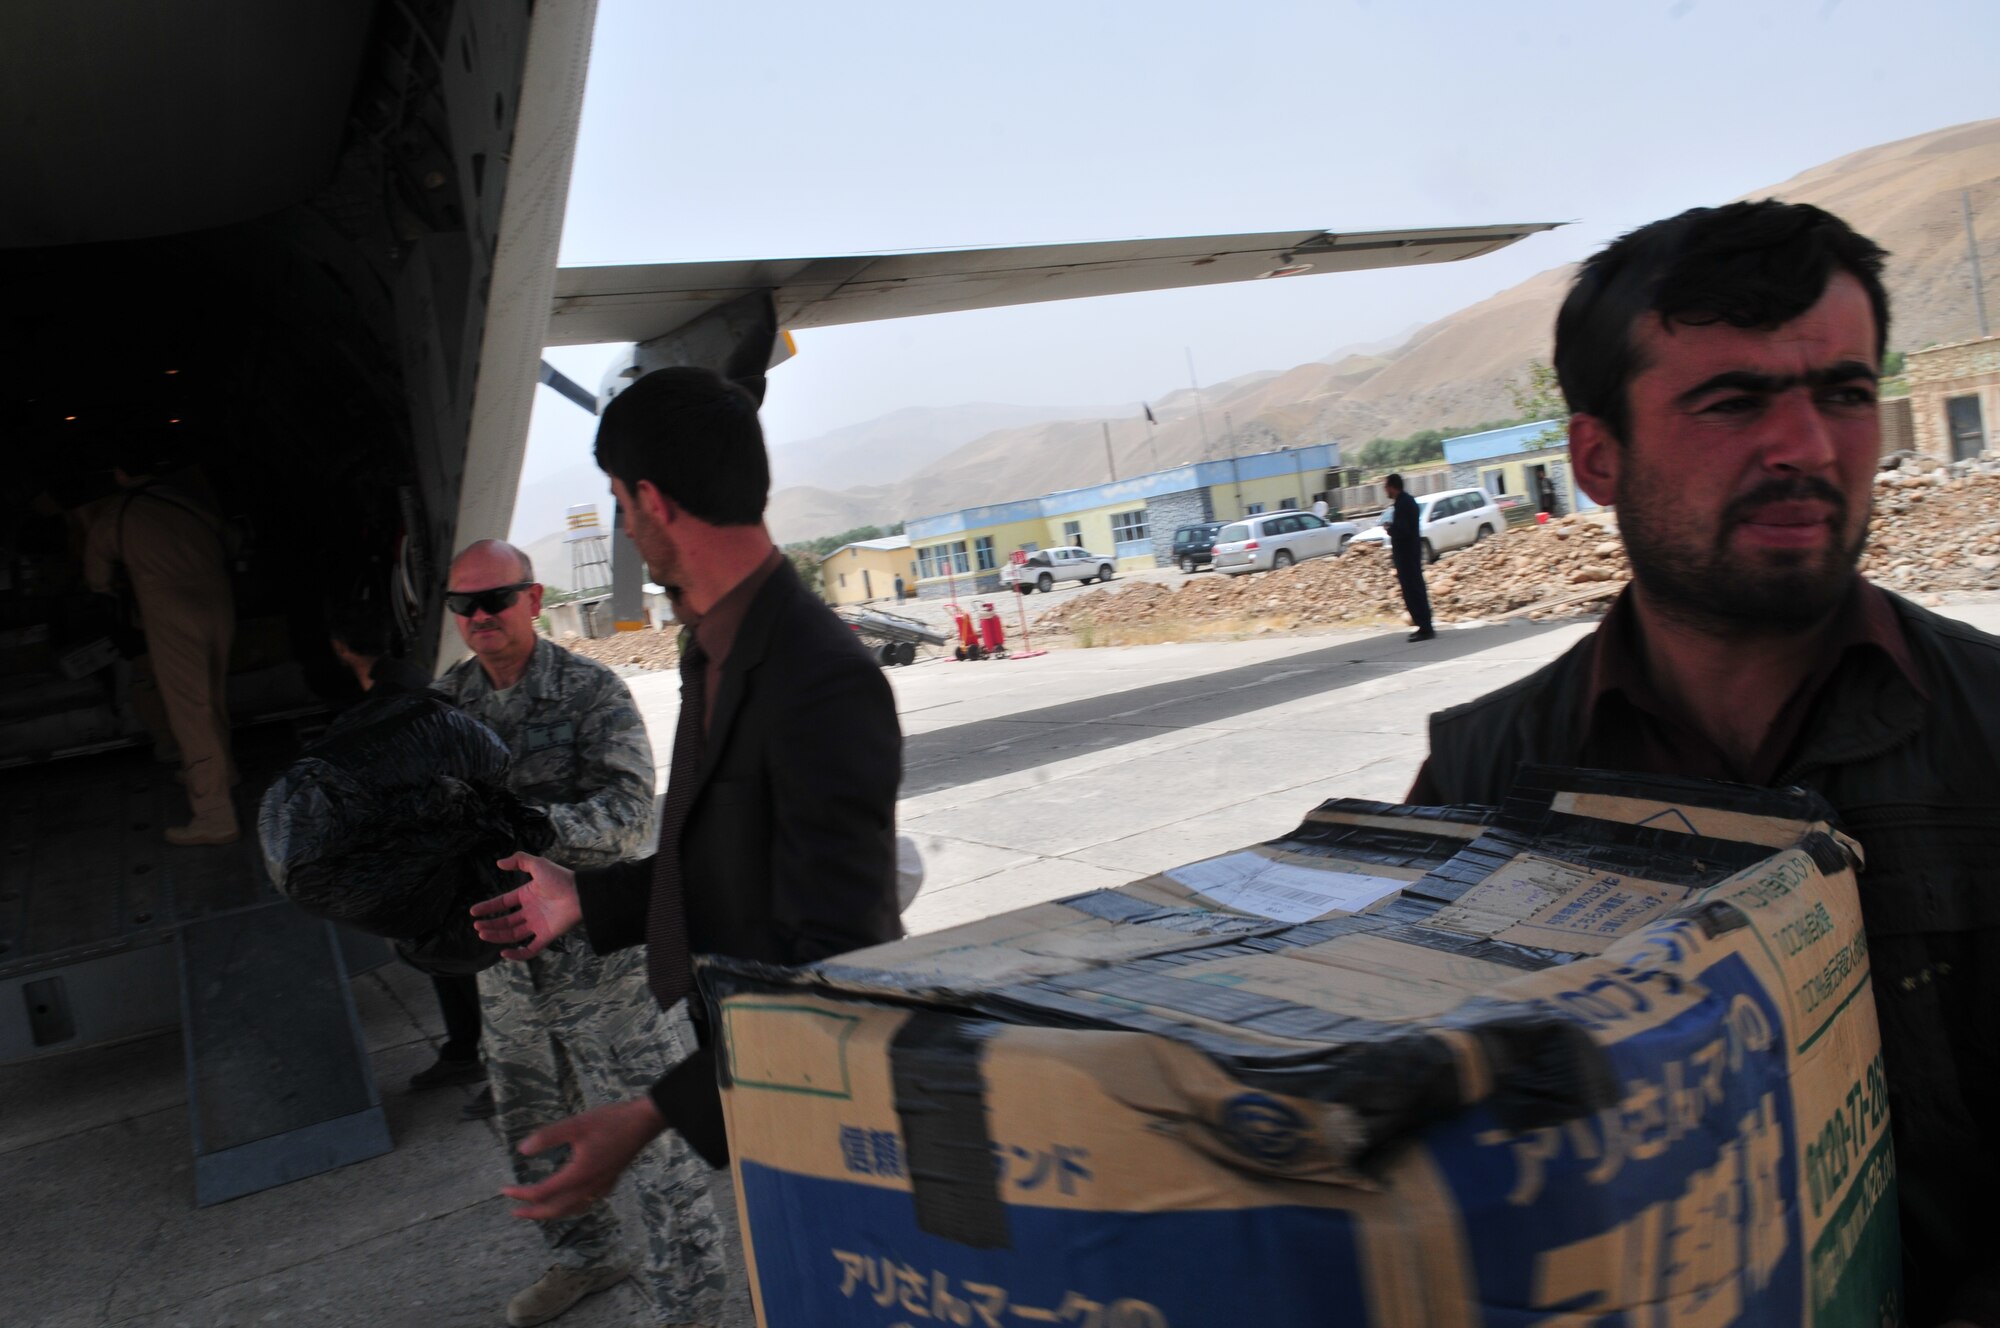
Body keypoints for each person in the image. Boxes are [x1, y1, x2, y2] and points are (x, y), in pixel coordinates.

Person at [1407, 200, 2000, 1328]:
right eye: (1732, 401)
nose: (1808, 447)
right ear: (1598, 457)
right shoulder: (1482, 780)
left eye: (1843, 392)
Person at [470, 366, 903, 1220]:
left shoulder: (821, 680)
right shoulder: (715, 647)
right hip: (760, 1077)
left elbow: (842, 967)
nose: (626, 528)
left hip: (823, 1102)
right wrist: (583, 898)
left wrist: (655, 1114)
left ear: (651, 501)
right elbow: (730, 861)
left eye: (620, 504)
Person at [436, 540, 725, 1328]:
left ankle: (692, 1308)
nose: (479, 616)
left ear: (533, 600)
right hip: (505, 969)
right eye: (463, 604)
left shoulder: (590, 691)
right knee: (533, 1127)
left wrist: (530, 830)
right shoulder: (443, 707)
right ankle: (586, 1256)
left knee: (657, 1144)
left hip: (605, 970)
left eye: (496, 599)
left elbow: (628, 813)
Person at [327, 602, 491, 1116]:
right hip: (441, 840)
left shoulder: (390, 698)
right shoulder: (410, 678)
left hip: (441, 845)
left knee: (470, 958)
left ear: (341, 649)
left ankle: (505, 1067)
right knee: (445, 955)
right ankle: (464, 1052)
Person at [78, 452, 239, 844]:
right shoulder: (188, 500)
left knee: (190, 711)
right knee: (213, 695)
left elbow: (96, 576)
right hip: (219, 602)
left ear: (120, 473)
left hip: (171, 612)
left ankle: (214, 816)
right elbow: (231, 541)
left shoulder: (118, 513)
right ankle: (225, 771)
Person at [1383, 473, 1434, 642]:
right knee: (1414, 589)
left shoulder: (1404, 503)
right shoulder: (1406, 501)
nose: (1385, 490)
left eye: (1386, 487)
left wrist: (1390, 530)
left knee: (1413, 590)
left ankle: (1425, 627)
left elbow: (1403, 530)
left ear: (1392, 487)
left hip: (1407, 555)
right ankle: (1423, 625)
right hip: (1409, 554)